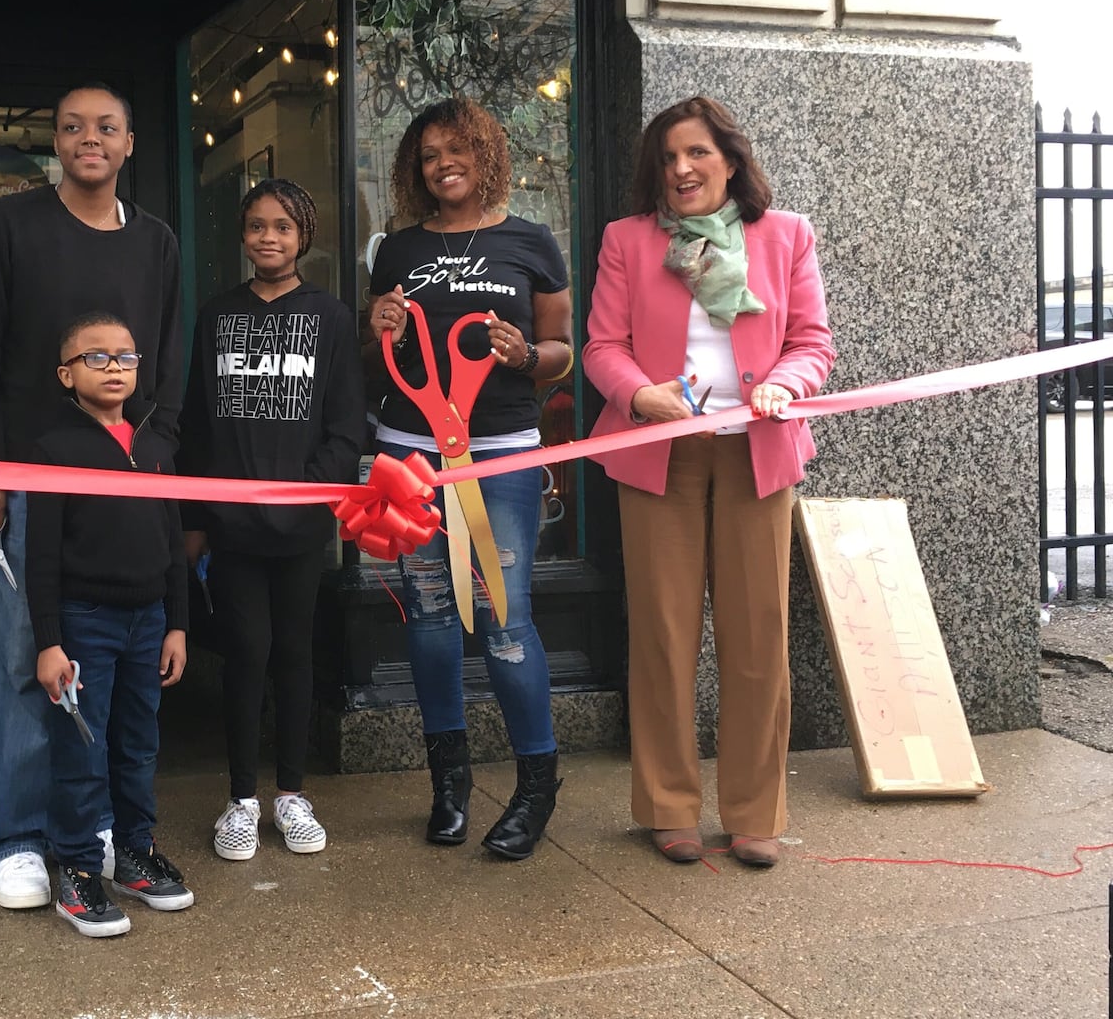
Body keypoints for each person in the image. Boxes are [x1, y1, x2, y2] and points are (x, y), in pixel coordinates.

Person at [582, 95, 835, 868]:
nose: (681, 169)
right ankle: (669, 806)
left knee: (758, 635)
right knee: (662, 635)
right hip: (662, 453)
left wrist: (787, 384)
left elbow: (812, 342)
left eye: (696, 153)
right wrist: (638, 395)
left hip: (757, 451)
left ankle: (755, 812)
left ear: (730, 159)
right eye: (667, 158)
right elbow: (600, 346)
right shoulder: (627, 241)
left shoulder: (785, 235)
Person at [0, 83, 183, 909]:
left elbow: (165, 358)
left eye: (108, 127)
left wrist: (159, 460)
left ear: (129, 145)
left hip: (125, 482)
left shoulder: (157, 241)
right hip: (24, 483)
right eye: (74, 127)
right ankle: (18, 837)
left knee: (111, 674)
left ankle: (95, 837)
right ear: (56, 141)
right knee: (24, 657)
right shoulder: (10, 224)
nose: (91, 139)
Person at [367, 97, 574, 861]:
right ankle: (449, 784)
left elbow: (562, 351)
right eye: (428, 154)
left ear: (487, 153)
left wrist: (525, 356)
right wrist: (380, 326)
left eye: (457, 148)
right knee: (427, 617)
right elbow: (377, 352)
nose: (442, 163)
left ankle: (534, 787)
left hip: (501, 453)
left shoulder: (531, 242)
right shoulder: (397, 249)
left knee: (505, 619)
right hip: (410, 450)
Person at [177, 178, 364, 861]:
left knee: (293, 654)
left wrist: (306, 494)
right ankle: (240, 800)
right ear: (243, 235)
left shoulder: (332, 318)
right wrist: (198, 512)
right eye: (256, 225)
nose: (268, 238)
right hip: (230, 527)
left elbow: (345, 428)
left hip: (301, 525)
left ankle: (290, 793)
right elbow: (197, 424)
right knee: (244, 655)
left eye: (282, 226)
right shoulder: (217, 316)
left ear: (303, 235)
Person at [26, 311, 191, 937]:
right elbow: (41, 557)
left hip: (149, 621)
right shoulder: (53, 449)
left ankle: (136, 854)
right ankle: (76, 866)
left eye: (125, 356)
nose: (114, 366)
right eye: (95, 357)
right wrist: (50, 642)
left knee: (138, 743)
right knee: (82, 748)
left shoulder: (155, 446)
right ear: (66, 373)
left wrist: (176, 624)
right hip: (83, 623)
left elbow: (173, 542)